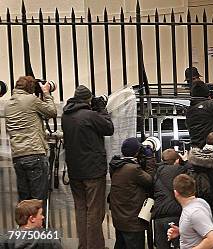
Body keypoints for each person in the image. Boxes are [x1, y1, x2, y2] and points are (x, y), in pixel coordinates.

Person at [61, 85, 114, 249]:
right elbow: (109, 128)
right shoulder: (90, 115)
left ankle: (83, 245)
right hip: (93, 171)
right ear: (88, 99)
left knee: (81, 210)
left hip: (75, 172)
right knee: (94, 211)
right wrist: (102, 109)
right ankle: (95, 246)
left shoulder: (65, 116)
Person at [5, 76, 57, 202]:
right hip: (34, 153)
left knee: (25, 201)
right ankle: (38, 222)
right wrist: (46, 93)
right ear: (31, 88)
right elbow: (52, 112)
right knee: (37, 200)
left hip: (18, 156)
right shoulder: (31, 100)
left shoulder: (8, 105)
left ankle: (25, 222)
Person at [108, 137, 156, 249]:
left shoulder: (115, 165)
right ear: (136, 152)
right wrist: (149, 159)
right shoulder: (133, 169)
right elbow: (149, 180)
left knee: (121, 245)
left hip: (120, 218)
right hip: (132, 221)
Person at [167, 174, 213, 249]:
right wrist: (182, 231)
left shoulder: (193, 212)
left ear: (175, 193)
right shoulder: (200, 202)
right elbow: (198, 226)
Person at [152, 149, 189, 249]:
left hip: (159, 216)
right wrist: (186, 161)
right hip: (177, 215)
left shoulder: (156, 173)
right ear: (177, 160)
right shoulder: (182, 171)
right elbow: (193, 174)